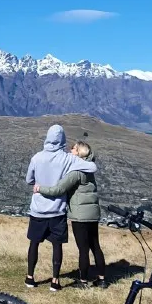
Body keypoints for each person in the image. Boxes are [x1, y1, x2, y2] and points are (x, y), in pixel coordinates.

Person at [25, 125, 97, 292]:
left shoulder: (37, 157)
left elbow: (29, 179)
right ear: (63, 140)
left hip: (38, 208)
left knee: (34, 244)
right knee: (57, 246)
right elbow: (92, 168)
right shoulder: (66, 158)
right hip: (57, 210)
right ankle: (55, 281)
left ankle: (30, 277)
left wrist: (39, 185)